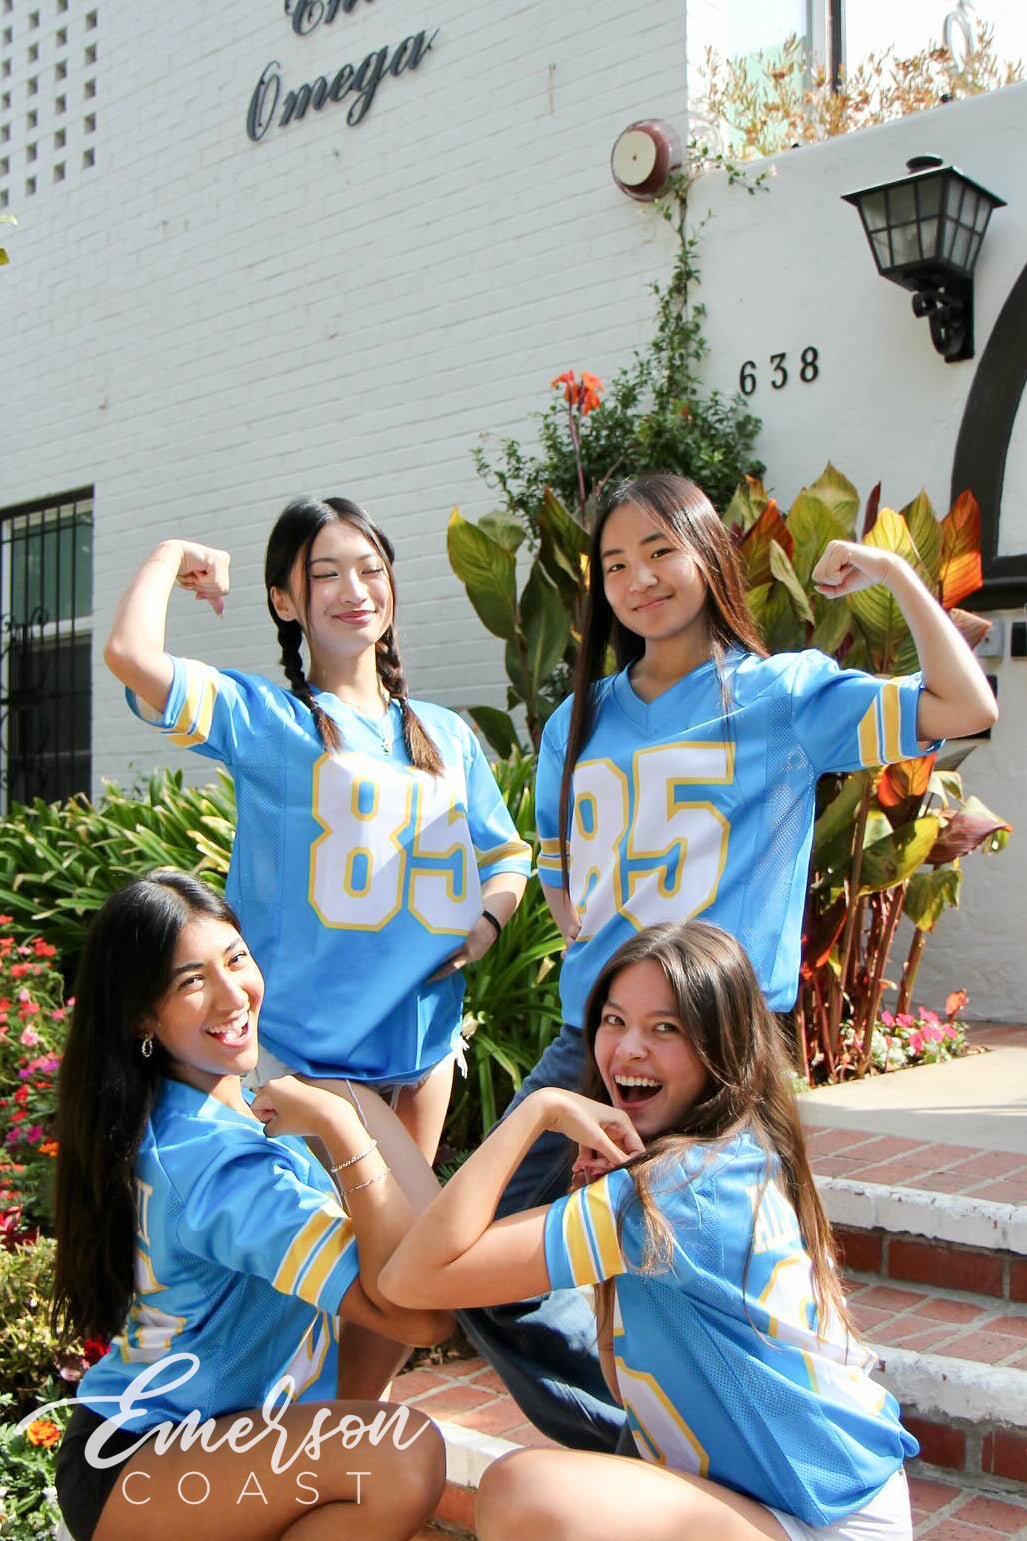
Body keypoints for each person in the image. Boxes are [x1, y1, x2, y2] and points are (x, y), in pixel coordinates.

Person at [458, 471, 998, 1450]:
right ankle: (636, 1445)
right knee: (481, 1265)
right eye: (614, 563)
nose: (638, 579)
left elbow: (963, 705)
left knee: (723, 1287)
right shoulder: (576, 719)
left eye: (659, 550)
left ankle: (766, 1459)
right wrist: (564, 908)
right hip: (593, 1040)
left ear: (707, 555)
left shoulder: (784, 695)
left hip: (718, 1049)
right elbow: (554, 850)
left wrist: (886, 571)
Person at [381, 920, 919, 1541]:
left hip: (824, 1521)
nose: (629, 1049)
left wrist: (537, 1110)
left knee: (525, 1491)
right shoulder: (727, 1155)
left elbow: (413, 1278)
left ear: (724, 1048)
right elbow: (616, 1376)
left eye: (666, 1028)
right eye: (614, 1021)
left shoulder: (675, 1187)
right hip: (797, 1502)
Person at [103, 494, 531, 1162]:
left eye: (369, 569)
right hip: (305, 1055)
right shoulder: (266, 720)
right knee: (348, 1255)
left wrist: (486, 927)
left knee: (400, 1256)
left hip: (425, 1047)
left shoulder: (446, 734)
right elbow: (130, 653)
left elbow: (507, 852)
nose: (353, 589)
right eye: (325, 573)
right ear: (284, 600)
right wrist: (172, 555)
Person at [49, 869, 449, 1541]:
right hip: (143, 1459)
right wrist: (343, 1124)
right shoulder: (218, 1163)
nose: (233, 993)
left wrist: (346, 1102)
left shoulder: (190, 1114)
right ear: (144, 1015)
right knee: (398, 1456)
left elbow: (415, 1264)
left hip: (201, 1442)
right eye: (191, 980)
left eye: (236, 958)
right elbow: (423, 1313)